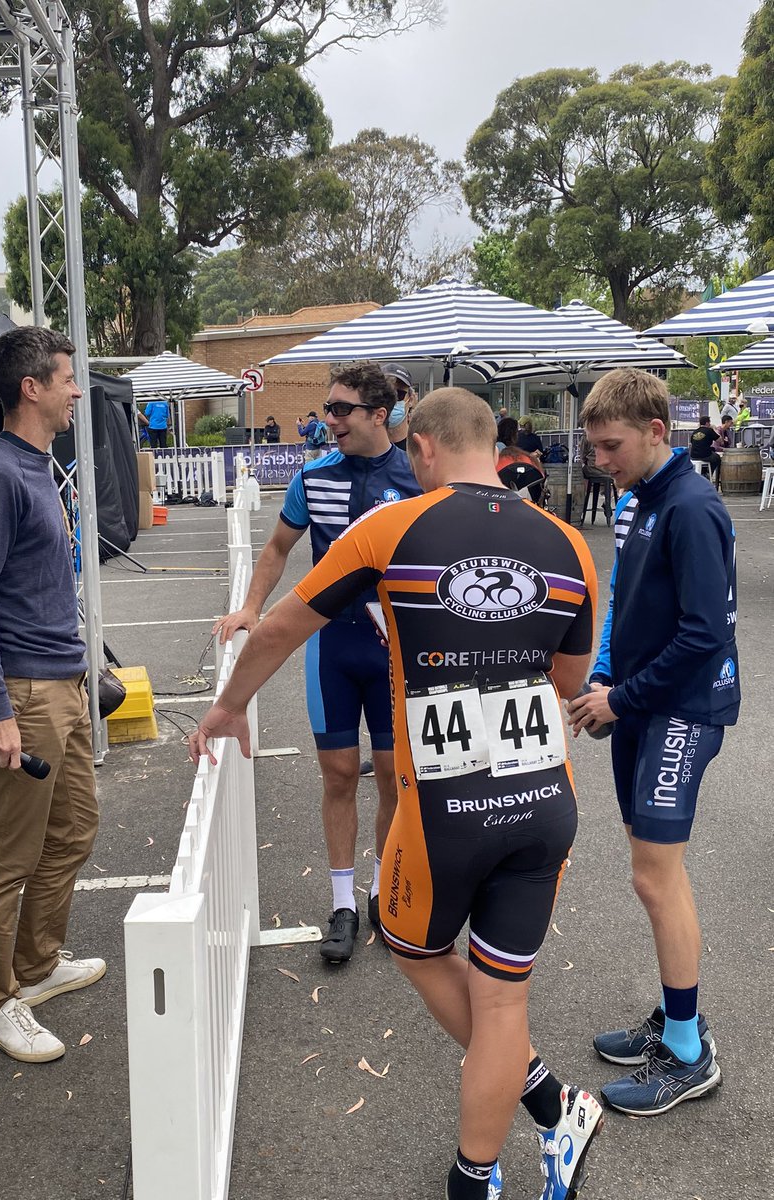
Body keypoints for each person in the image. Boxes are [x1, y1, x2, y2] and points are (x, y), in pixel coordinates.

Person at [195, 388, 603, 1200]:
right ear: (493, 446)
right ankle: (520, 1141)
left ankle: (537, 1119)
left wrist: (229, 706)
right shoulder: (568, 544)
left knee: (414, 946)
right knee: (500, 997)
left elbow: (279, 627)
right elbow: (568, 680)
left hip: (444, 808)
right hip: (541, 800)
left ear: (420, 448)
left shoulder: (389, 529)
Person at [568, 367, 737, 1117]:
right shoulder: (638, 501)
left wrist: (623, 699)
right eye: (594, 448)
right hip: (636, 704)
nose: (602, 461)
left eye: (612, 446)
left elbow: (707, 635)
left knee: (654, 877)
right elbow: (626, 603)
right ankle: (678, 1020)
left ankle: (690, 1056)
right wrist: (604, 674)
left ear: (656, 433)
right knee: (656, 873)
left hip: (682, 710)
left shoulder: (695, 508)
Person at [217, 363, 420, 963]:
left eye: (341, 410)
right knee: (337, 774)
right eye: (327, 409)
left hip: (393, 654)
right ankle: (343, 905)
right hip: (332, 648)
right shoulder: (314, 474)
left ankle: (385, 895)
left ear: (379, 415)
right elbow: (279, 547)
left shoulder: (416, 476)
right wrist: (251, 608)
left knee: (390, 777)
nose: (327, 420)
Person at [0, 326, 105, 1065]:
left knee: (74, 829)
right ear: (32, 388)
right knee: (7, 857)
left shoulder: (38, 464)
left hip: (61, 683)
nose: (78, 390)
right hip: (23, 692)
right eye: (68, 378)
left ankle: (37, 967)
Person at [383, 363, 414, 451]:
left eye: (398, 394)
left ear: (411, 399)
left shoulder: (420, 448)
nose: (392, 401)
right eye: (385, 394)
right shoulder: (363, 449)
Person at [688, 415, 721, 485]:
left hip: (693, 455)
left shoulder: (695, 432)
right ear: (707, 423)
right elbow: (720, 440)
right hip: (705, 455)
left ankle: (703, 473)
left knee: (708, 458)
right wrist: (714, 429)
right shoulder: (709, 430)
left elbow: (692, 443)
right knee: (717, 458)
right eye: (709, 422)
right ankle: (708, 474)